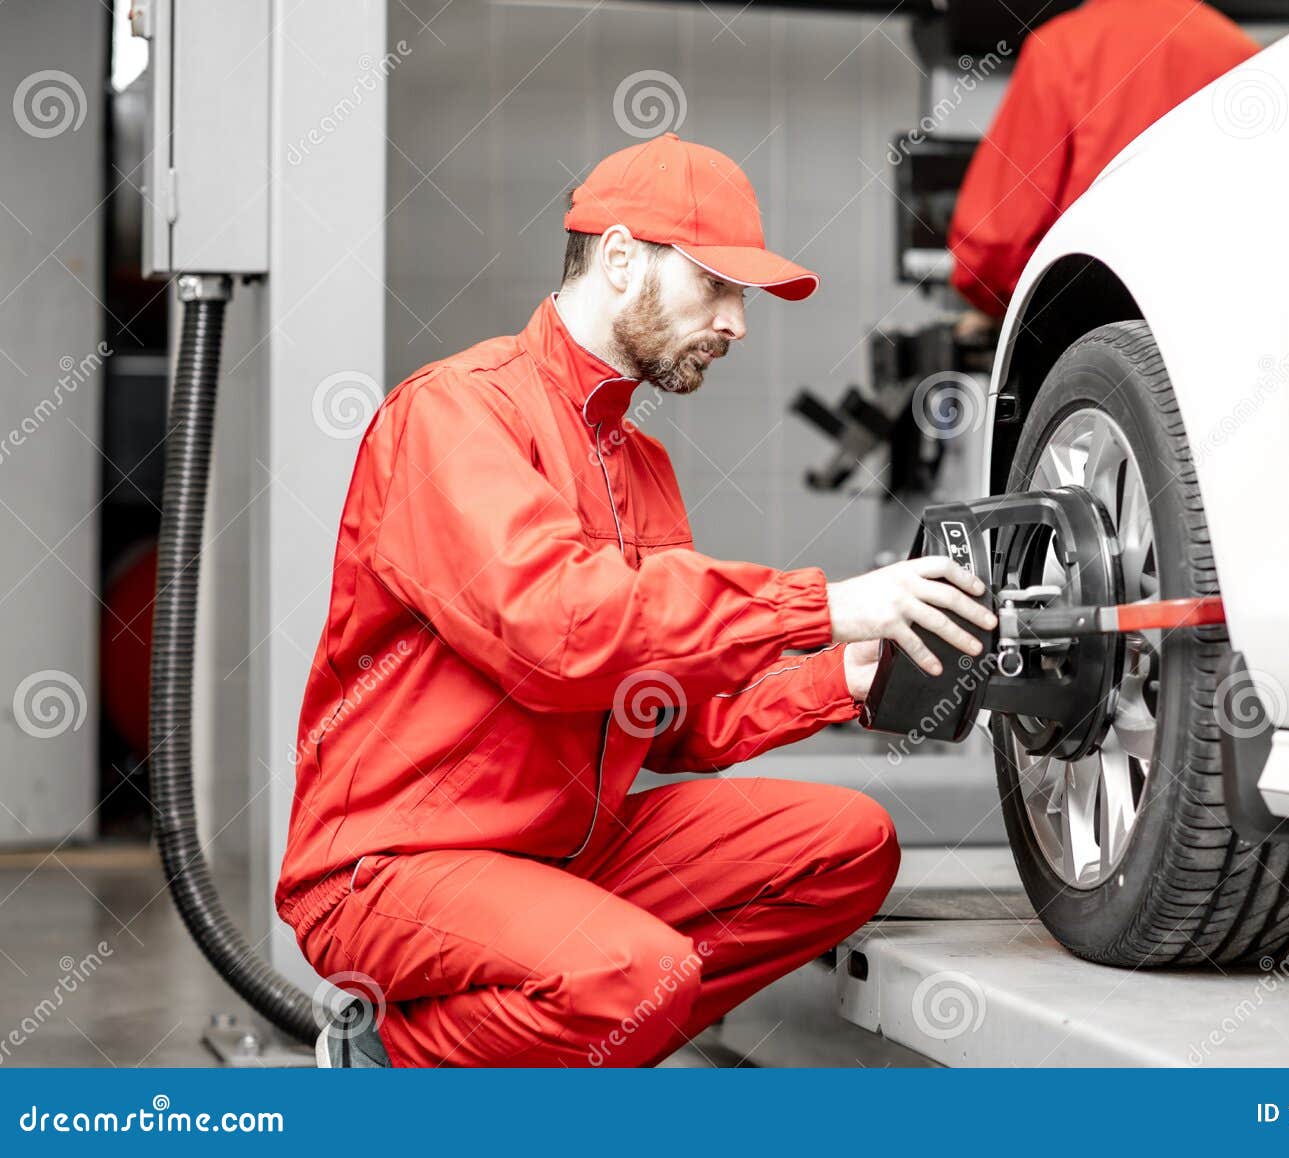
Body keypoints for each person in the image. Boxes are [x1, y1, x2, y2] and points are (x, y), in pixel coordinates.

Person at [274, 132, 997, 1067]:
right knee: (632, 978)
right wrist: (820, 607)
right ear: (620, 258)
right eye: (719, 286)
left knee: (849, 845)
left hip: (569, 852)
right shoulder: (454, 414)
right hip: (397, 865)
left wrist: (854, 674)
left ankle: (555, 1037)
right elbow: (556, 626)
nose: (738, 322)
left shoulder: (640, 464)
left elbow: (677, 722)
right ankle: (393, 1063)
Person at [949, 0, 1258, 332]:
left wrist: (993, 304)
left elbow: (999, 238)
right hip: (1216, 323)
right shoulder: (1243, 52)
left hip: (1089, 325)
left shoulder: (1061, 45)